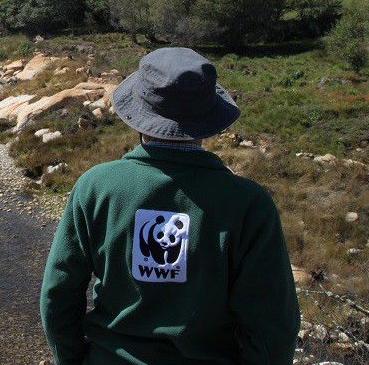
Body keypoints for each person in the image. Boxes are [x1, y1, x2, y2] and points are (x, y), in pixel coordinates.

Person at [39, 47, 300, 365]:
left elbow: (58, 295)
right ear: (208, 120)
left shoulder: (95, 188)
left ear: (137, 115)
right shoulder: (249, 205)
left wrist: (73, 359)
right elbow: (273, 327)